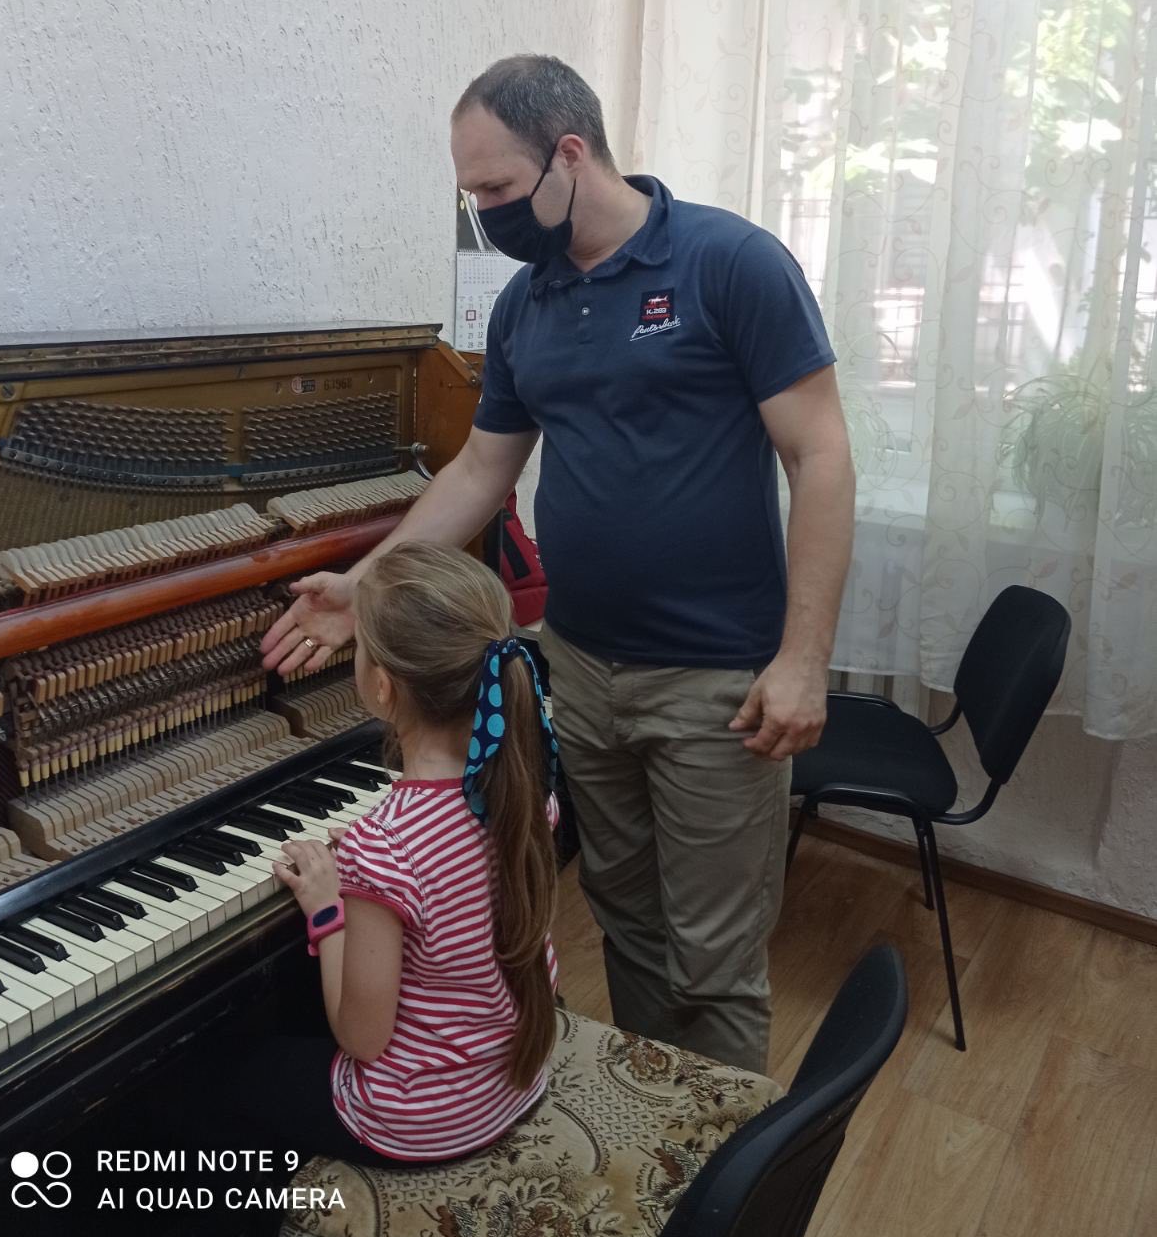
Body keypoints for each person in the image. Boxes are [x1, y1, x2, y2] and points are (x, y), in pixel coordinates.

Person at [262, 54, 855, 1075]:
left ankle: (720, 1163)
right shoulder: (525, 306)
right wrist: (366, 587)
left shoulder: (730, 263)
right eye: (471, 193)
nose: (485, 213)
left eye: (497, 187)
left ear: (570, 154)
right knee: (623, 917)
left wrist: (803, 658)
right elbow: (479, 469)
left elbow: (822, 457)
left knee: (713, 959)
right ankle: (644, 1112)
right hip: (580, 668)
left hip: (718, 680)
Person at [114, 542, 560, 1237]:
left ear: (381, 687)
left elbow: (361, 1038)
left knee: (205, 1079)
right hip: (508, 1081)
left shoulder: (387, 845)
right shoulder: (522, 786)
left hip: (418, 1120)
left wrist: (328, 909)